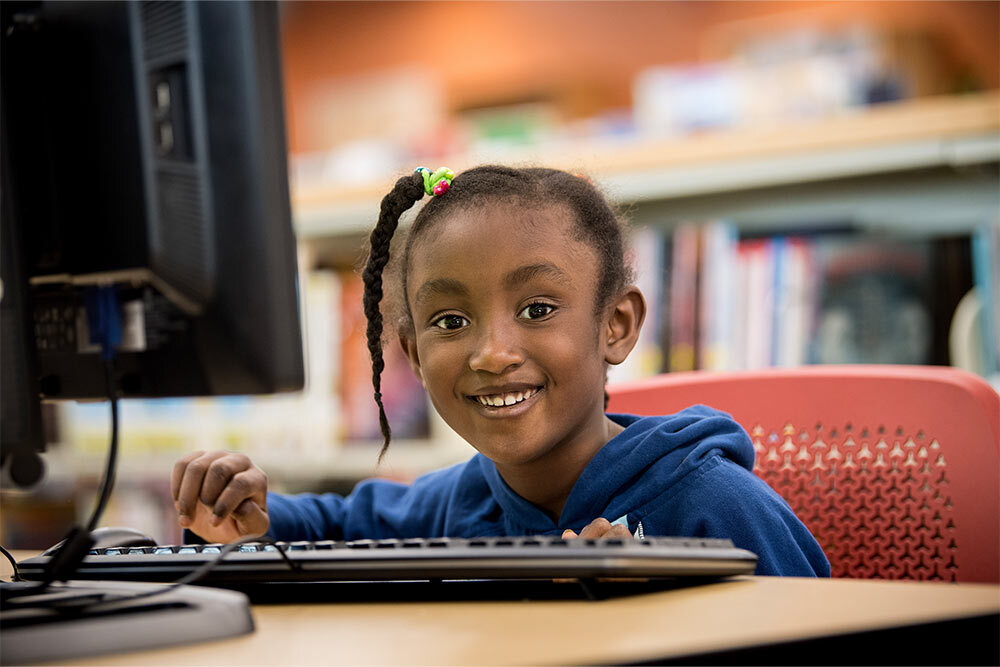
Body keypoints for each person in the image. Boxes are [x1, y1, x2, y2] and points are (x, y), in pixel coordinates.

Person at [171, 165, 829, 576]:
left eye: (537, 308)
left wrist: (666, 611)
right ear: (412, 352)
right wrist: (250, 521)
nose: (491, 352)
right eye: (450, 322)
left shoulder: (714, 509)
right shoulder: (457, 504)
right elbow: (336, 528)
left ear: (616, 325)